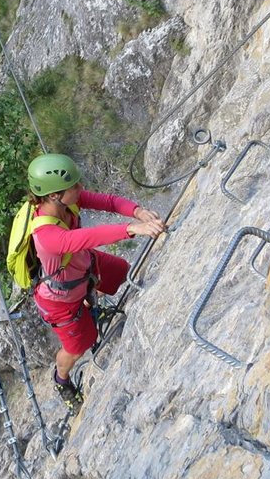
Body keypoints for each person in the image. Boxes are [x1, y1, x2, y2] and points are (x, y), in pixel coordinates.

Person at [24, 153, 167, 404]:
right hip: (61, 301)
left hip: (84, 267)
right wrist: (132, 228)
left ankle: (89, 305)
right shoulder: (46, 236)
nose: (80, 187)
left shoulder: (68, 202)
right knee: (78, 346)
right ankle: (61, 379)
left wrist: (138, 211)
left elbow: (109, 202)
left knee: (122, 271)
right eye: (74, 185)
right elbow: (89, 237)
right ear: (54, 195)